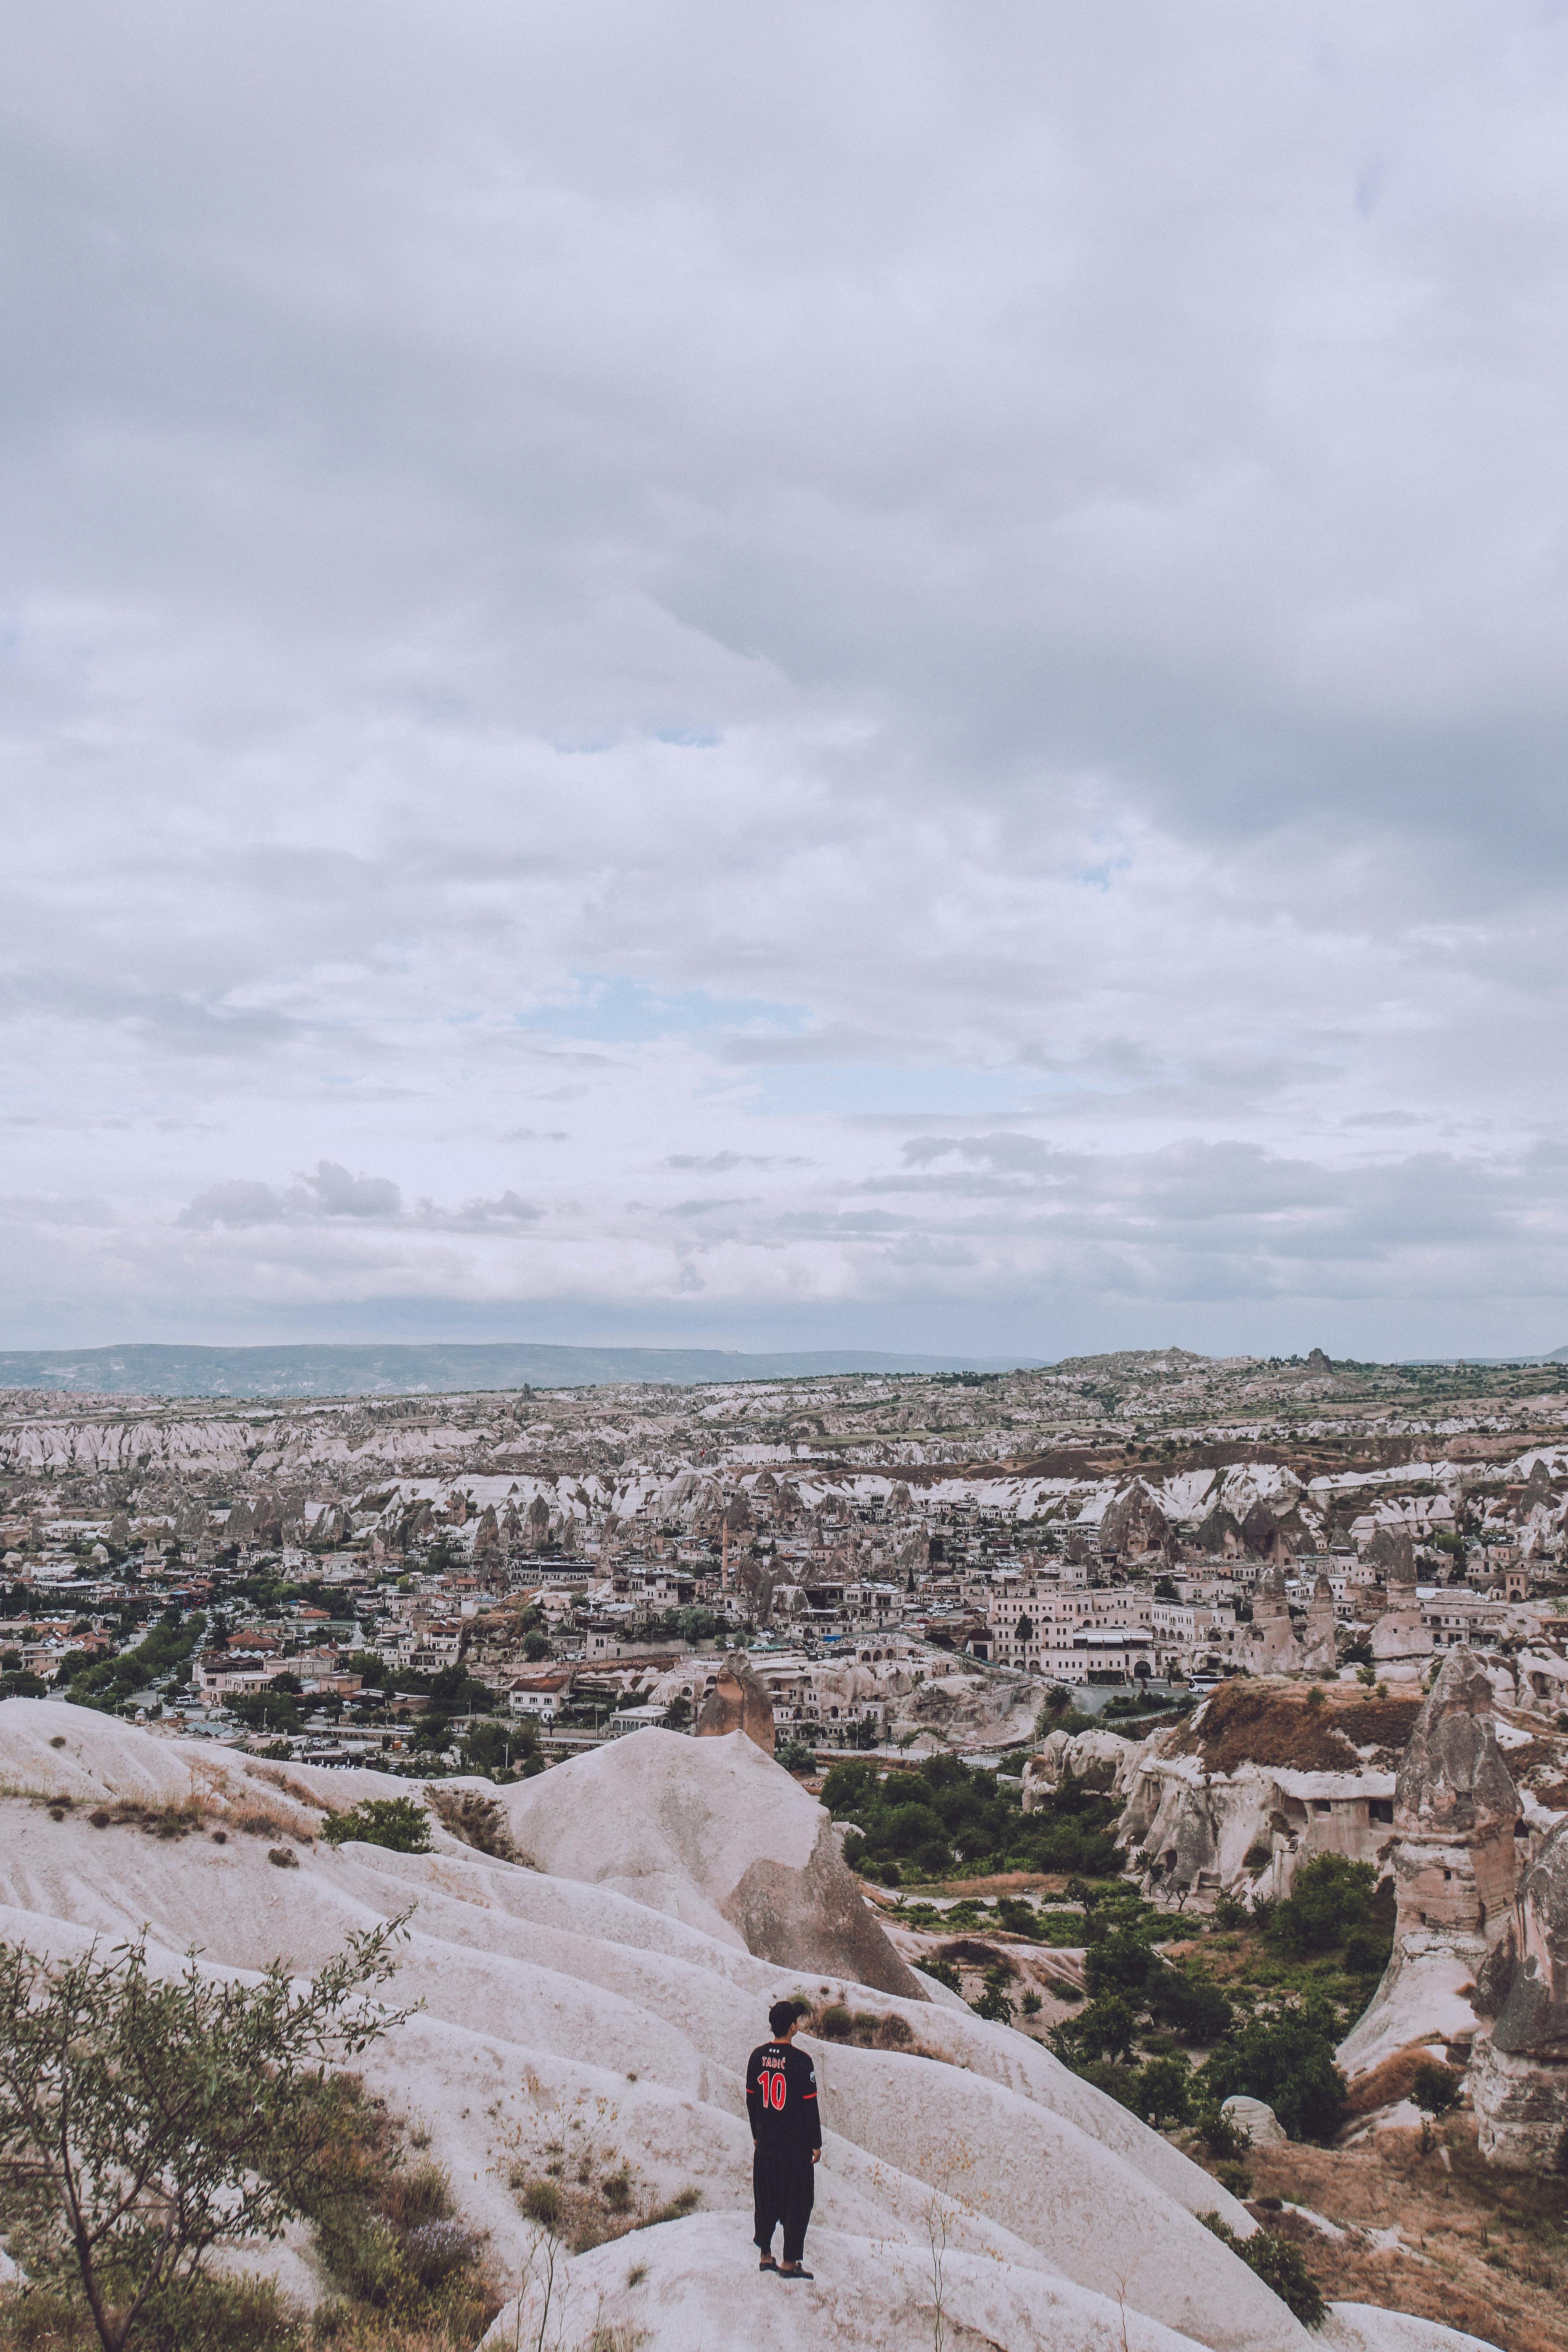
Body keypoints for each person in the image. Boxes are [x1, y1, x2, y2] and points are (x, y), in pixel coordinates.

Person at [745, 1999, 822, 2279]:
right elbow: (810, 2106)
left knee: (765, 2197)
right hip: (795, 2147)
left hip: (766, 2144)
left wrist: (756, 2134)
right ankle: (790, 2263)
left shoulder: (757, 2057)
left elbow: (751, 2100)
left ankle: (766, 2255)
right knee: (799, 2201)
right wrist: (816, 2143)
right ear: (792, 2027)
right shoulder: (803, 2062)